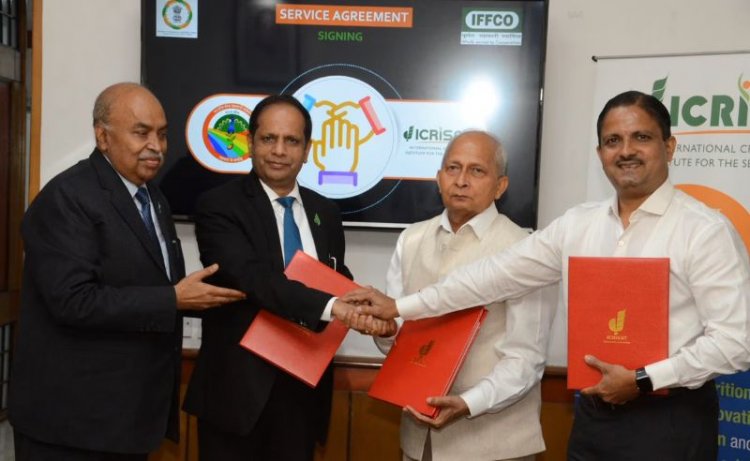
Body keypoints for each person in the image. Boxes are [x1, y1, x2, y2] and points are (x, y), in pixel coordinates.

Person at [345, 90, 750, 460]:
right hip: (593, 416)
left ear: (669, 146)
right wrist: (401, 307)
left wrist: (644, 379)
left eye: (640, 138)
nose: (626, 151)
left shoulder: (705, 230)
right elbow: (489, 277)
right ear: (600, 153)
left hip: (670, 417)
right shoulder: (577, 225)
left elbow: (736, 342)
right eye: (613, 141)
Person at [8, 82, 246, 460]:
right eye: (141, 133)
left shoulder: (153, 197)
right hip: (72, 427)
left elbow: (150, 284)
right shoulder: (67, 198)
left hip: (128, 420)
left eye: (162, 134)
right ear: (103, 137)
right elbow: (73, 301)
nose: (157, 146)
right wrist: (173, 298)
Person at [182, 94, 389, 461]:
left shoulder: (326, 212)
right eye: (268, 139)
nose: (279, 151)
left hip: (303, 396)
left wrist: (368, 310)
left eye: (292, 141)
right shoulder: (219, 206)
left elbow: (334, 278)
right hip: (237, 399)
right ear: (250, 143)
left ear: (307, 150)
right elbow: (253, 278)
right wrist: (335, 307)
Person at [366, 130, 552, 461]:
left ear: (500, 186)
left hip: (495, 443)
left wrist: (469, 403)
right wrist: (385, 331)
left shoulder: (527, 249)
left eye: (477, 170)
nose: (462, 180)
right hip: (419, 440)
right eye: (453, 168)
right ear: (439, 178)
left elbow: (526, 358)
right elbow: (397, 337)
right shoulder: (410, 239)